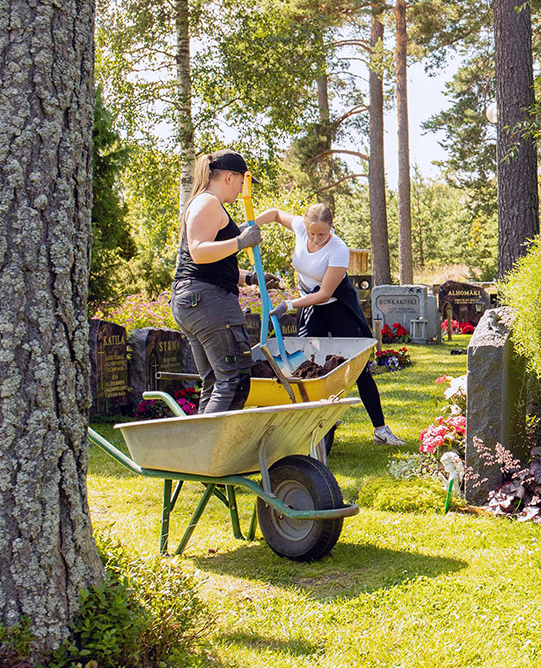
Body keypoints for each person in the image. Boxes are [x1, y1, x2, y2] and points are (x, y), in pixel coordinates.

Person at [257, 202, 405, 447]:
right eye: (312, 233)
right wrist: (247, 228)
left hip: (338, 308)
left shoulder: (338, 249)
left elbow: (325, 293)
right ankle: (317, 427)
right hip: (312, 308)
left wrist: (290, 305)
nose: (316, 239)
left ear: (331, 228)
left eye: (322, 234)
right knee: (308, 367)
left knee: (358, 368)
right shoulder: (301, 229)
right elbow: (273, 214)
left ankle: (381, 430)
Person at [170, 150, 281, 414]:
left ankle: (201, 448)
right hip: (208, 301)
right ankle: (214, 449)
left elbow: (214, 264)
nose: (242, 189)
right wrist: (240, 241)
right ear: (230, 177)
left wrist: (250, 278)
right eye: (243, 182)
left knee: (216, 382)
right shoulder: (208, 203)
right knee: (234, 381)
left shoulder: (206, 204)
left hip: (197, 300)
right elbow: (199, 251)